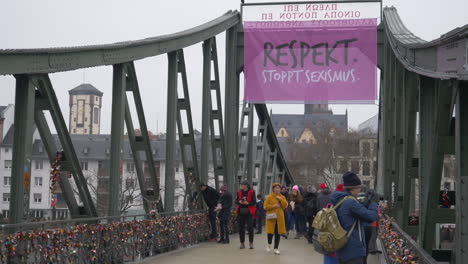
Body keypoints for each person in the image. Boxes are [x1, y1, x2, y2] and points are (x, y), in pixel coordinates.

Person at [330, 172, 379, 264]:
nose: (360, 190)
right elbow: (371, 216)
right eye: (359, 187)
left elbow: (358, 211)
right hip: (352, 250)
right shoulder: (350, 202)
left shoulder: (340, 200)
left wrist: (368, 201)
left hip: (342, 246)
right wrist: (374, 203)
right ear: (353, 188)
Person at [264, 183, 288, 255]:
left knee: (278, 233)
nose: (277, 189)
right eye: (276, 188)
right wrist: (273, 206)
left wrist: (281, 199)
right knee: (270, 233)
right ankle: (269, 244)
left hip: (279, 218)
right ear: (273, 189)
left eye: (278, 188)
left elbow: (286, 205)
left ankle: (276, 248)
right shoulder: (269, 197)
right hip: (271, 218)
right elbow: (265, 206)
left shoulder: (282, 197)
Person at [236, 181, 257, 249]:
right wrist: (239, 202)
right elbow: (236, 201)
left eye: (242, 185)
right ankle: (242, 243)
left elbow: (254, 202)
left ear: (246, 185)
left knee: (250, 227)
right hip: (241, 212)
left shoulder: (251, 191)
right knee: (241, 228)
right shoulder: (239, 192)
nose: (241, 186)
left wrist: (247, 203)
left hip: (249, 212)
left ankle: (251, 243)